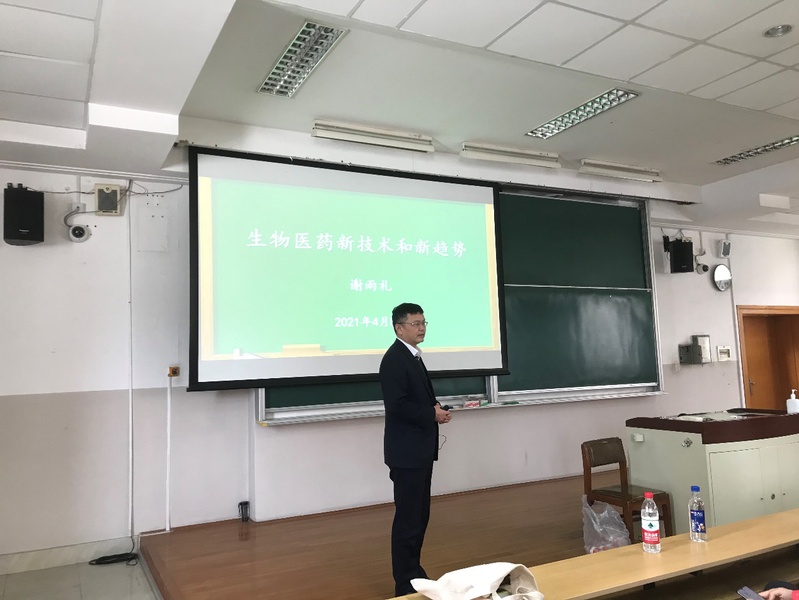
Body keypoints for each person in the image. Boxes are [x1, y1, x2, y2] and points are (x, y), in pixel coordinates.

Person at [379, 302, 451, 597]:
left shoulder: (413, 356)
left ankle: (414, 573)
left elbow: (415, 399)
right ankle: (404, 583)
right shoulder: (395, 359)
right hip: (406, 453)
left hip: (418, 451)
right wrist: (431, 414)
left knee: (419, 517)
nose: (421, 328)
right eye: (415, 323)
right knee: (408, 520)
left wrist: (435, 408)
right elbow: (397, 406)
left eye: (423, 323)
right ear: (399, 328)